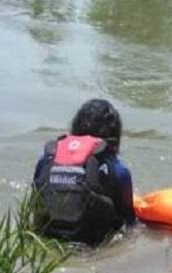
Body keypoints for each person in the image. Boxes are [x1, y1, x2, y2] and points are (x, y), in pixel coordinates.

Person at [33, 99, 135, 245]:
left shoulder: (47, 158)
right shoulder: (118, 170)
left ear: (74, 128)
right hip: (90, 246)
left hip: (46, 238)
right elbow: (129, 222)